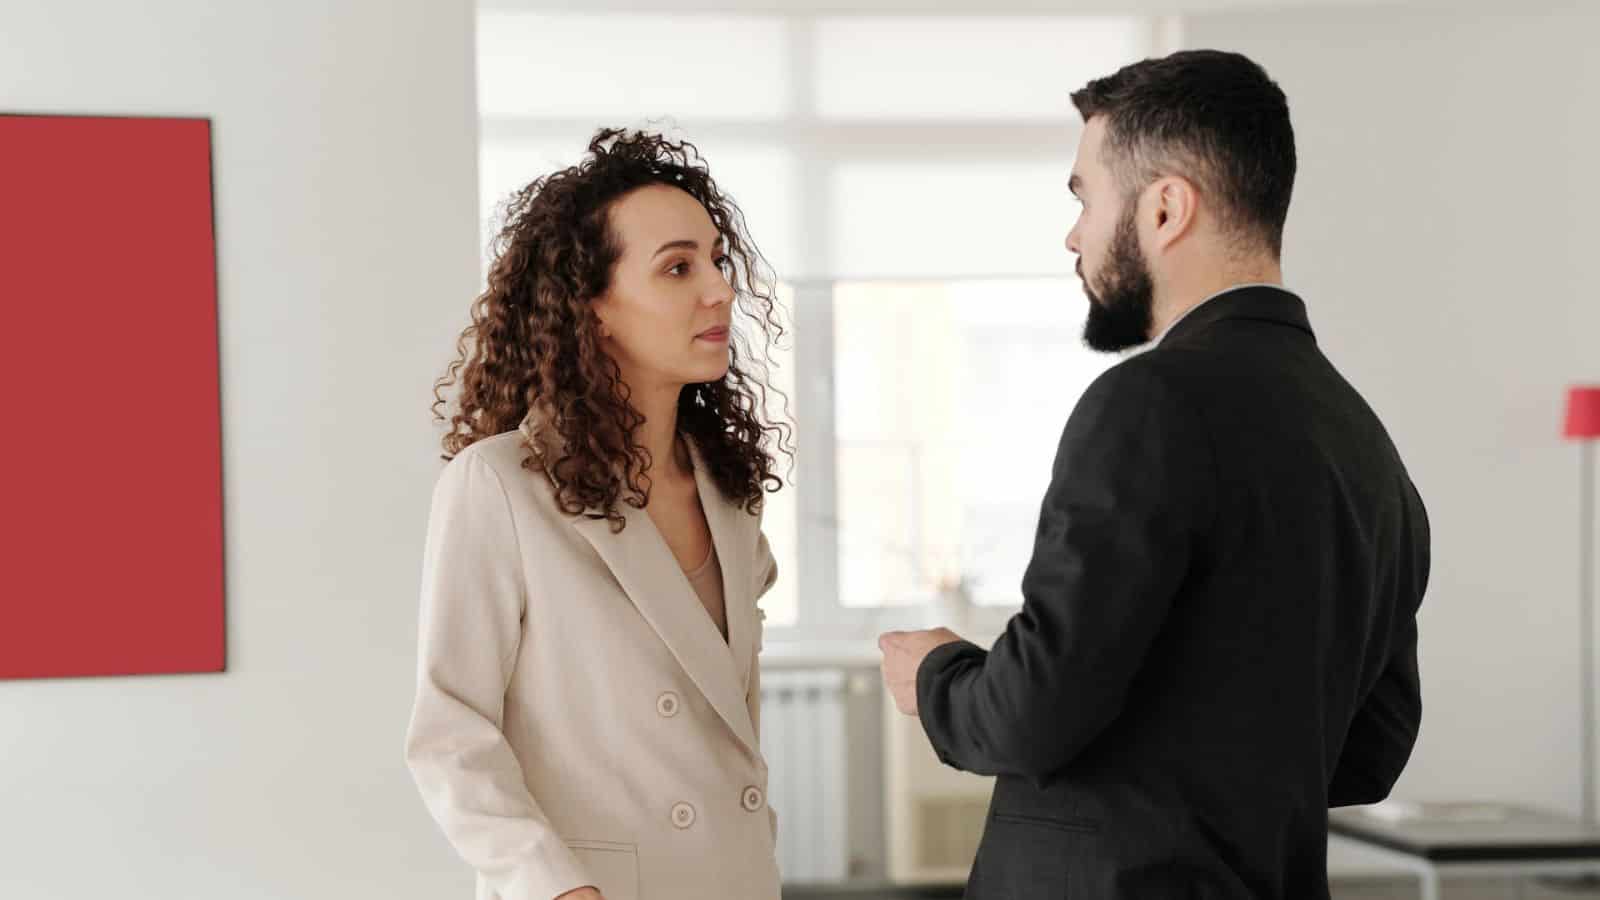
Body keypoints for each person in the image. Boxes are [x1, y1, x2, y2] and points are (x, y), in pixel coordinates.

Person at [877, 50, 1430, 899]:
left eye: (1083, 197)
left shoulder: (1148, 403)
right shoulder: (1368, 444)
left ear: (1166, 207)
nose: (1073, 233)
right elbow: (1370, 750)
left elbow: (1030, 715)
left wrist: (936, 676)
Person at [407, 128, 792, 900]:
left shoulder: (727, 487)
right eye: (677, 267)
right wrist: (555, 888)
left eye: (716, 260)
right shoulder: (502, 486)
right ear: (592, 305)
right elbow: (450, 735)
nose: (717, 288)